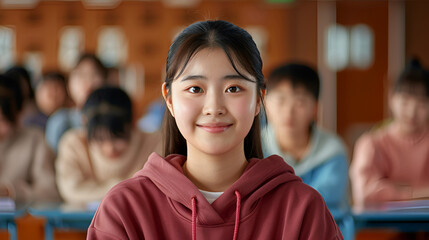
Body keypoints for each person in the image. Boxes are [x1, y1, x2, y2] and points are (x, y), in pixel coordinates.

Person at [88, 20, 342, 239]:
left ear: (257, 100)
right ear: (169, 99)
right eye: (195, 89)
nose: (214, 107)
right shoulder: (125, 208)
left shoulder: (302, 209)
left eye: (233, 88)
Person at [261, 63, 353, 239]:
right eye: (280, 100)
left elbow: (322, 200)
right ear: (265, 102)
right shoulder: (254, 148)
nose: (289, 111)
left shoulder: (332, 151)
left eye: (300, 101)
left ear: (315, 108)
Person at [56, 86, 161, 204]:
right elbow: (70, 191)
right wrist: (123, 188)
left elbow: (158, 190)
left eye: (118, 137)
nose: (109, 148)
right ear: (85, 126)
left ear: (133, 124)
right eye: (99, 139)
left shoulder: (154, 142)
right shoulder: (74, 144)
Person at [350, 59, 429, 208]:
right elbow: (365, 193)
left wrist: (394, 188)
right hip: (382, 228)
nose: (412, 112)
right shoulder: (372, 143)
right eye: (405, 101)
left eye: (422, 103)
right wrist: (419, 193)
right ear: (391, 99)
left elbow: (377, 192)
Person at [0, 74, 60, 203]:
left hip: (17, 221)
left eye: (4, 120)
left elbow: (50, 193)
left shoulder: (34, 139)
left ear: (20, 112)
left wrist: (9, 191)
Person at [45, 53, 107, 152]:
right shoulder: (60, 121)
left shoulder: (111, 119)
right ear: (69, 84)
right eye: (80, 74)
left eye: (94, 74)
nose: (87, 81)